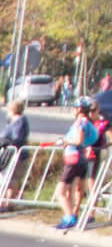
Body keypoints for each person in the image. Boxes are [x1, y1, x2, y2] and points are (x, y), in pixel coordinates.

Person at [54, 99, 97, 230]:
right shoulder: (88, 123)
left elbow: (78, 141)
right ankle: (71, 215)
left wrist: (65, 141)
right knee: (71, 190)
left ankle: (69, 217)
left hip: (74, 159)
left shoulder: (79, 123)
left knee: (60, 192)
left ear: (79, 109)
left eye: (74, 108)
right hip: (81, 159)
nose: (73, 110)